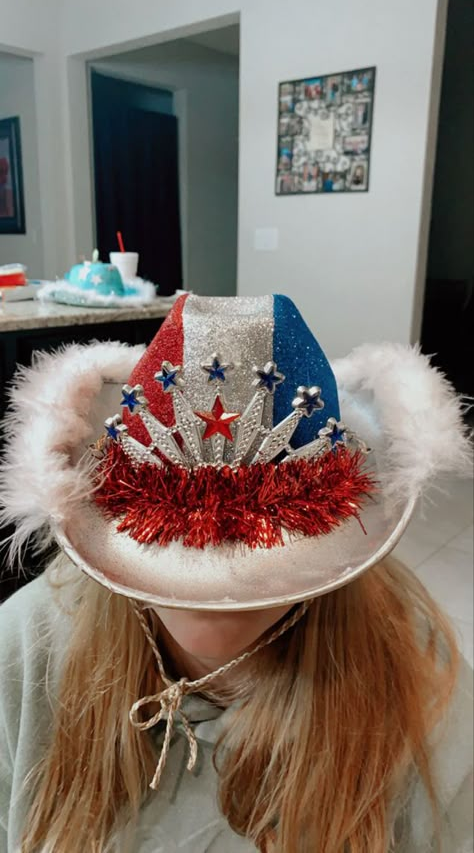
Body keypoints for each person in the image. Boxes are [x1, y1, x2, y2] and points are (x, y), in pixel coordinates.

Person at [0, 293, 472, 853]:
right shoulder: (27, 651)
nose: (216, 580)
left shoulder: (418, 678)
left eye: (256, 541)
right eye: (184, 538)